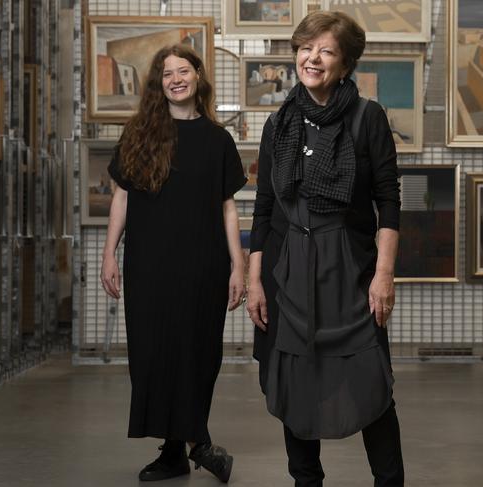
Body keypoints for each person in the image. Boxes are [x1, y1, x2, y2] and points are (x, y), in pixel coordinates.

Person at [246, 11, 405, 486]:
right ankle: (306, 481)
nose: (311, 58)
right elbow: (264, 206)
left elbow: (389, 202)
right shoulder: (278, 123)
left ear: (346, 63)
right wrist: (256, 281)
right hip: (288, 268)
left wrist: (384, 273)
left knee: (370, 382)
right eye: (305, 48)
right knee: (294, 383)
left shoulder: (367, 117)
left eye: (326, 50)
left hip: (350, 270)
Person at [100, 44, 247, 483]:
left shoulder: (218, 139)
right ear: (157, 83)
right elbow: (122, 197)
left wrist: (238, 265)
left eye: (183, 71)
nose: (176, 79)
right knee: (153, 352)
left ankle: (180, 449)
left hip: (204, 264)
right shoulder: (139, 133)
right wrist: (110, 253)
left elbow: (227, 207)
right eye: (167, 74)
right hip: (148, 264)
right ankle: (191, 445)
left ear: (198, 77)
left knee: (197, 352)